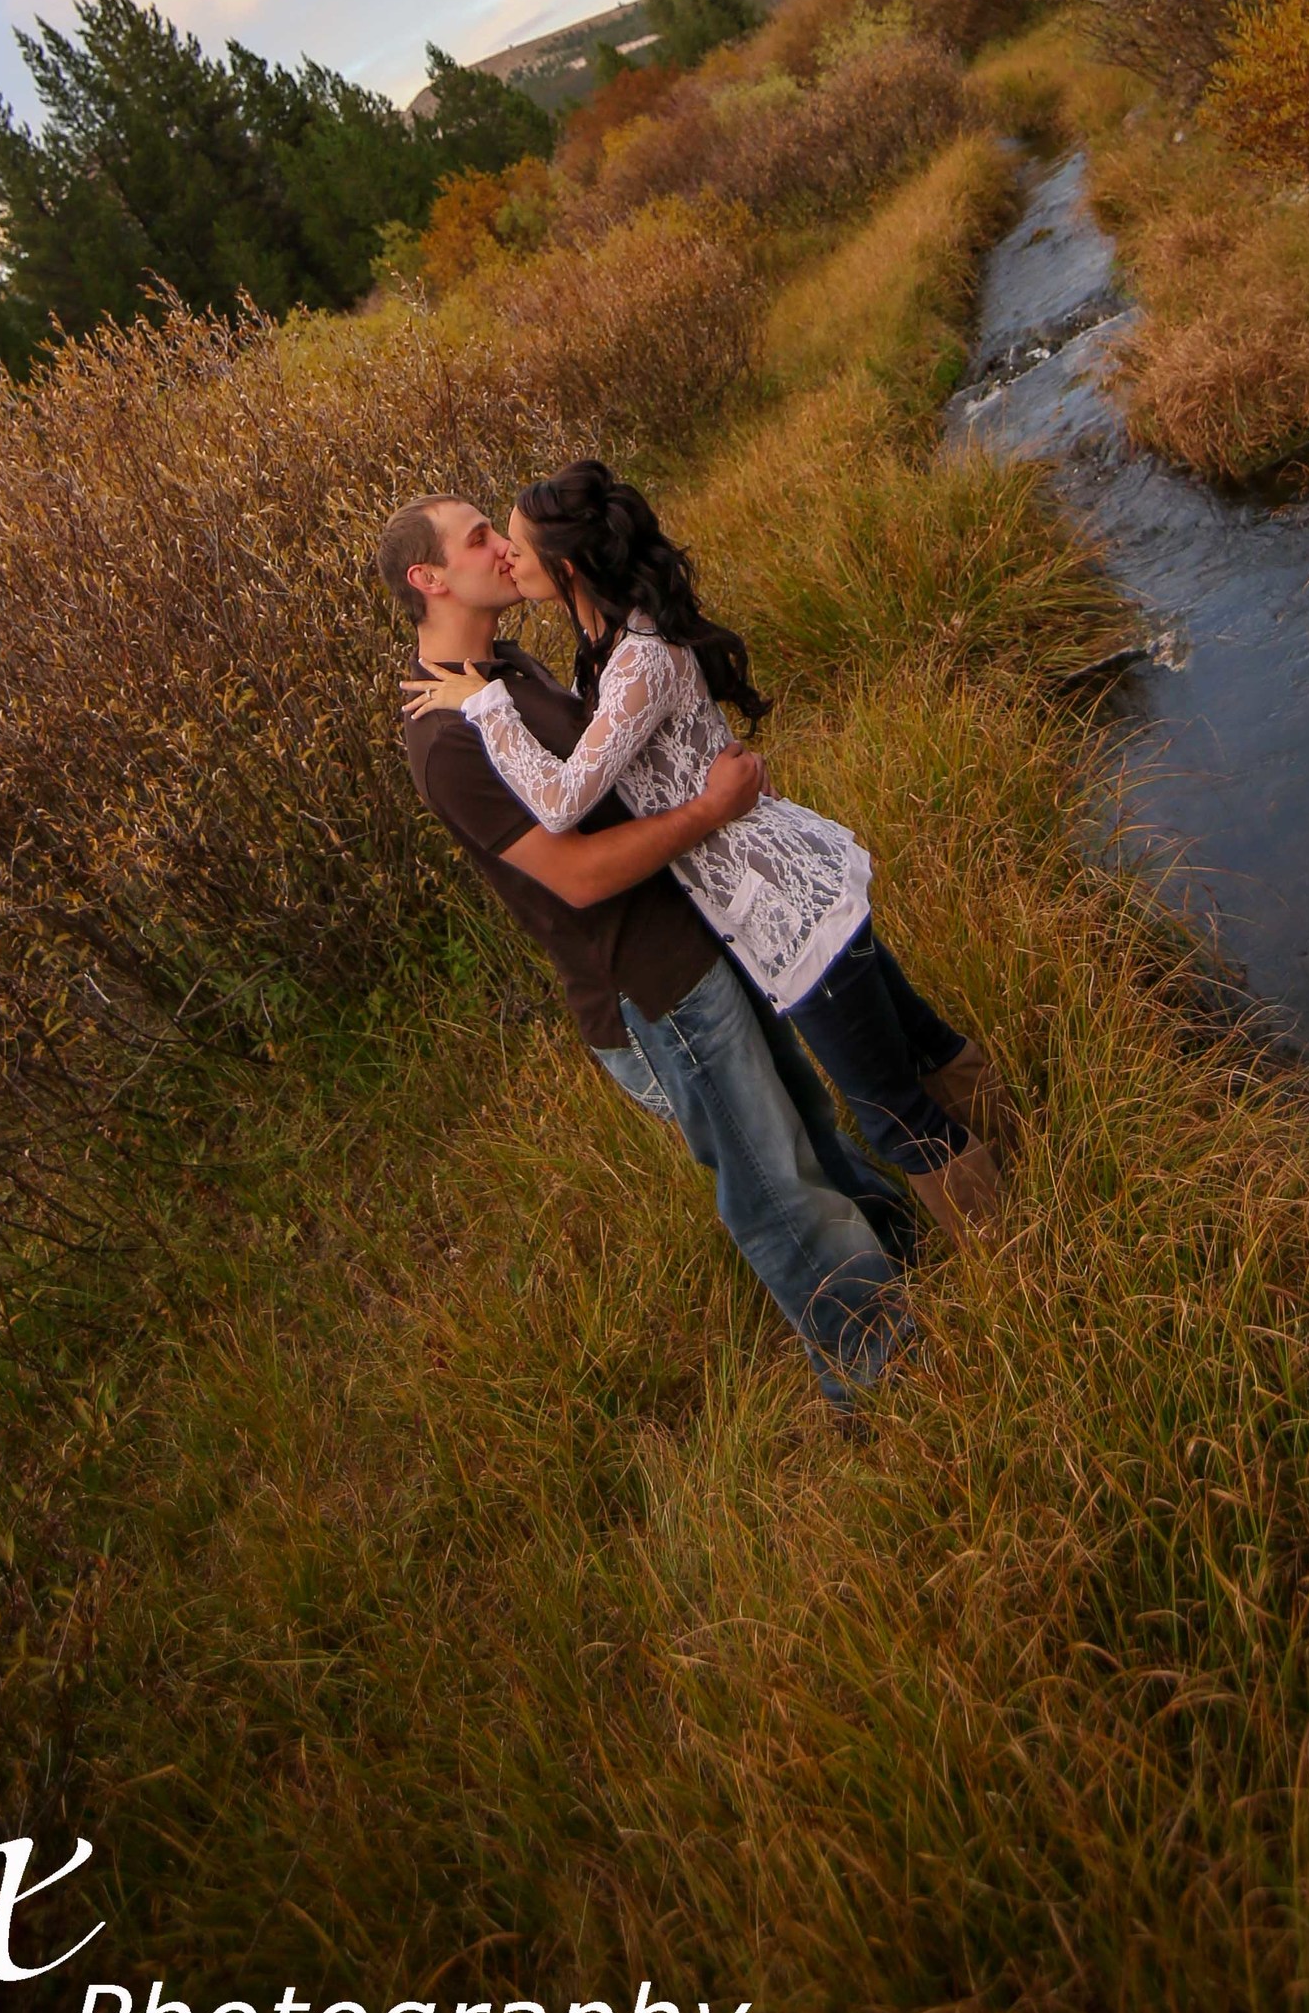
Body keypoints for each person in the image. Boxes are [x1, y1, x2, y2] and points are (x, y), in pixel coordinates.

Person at [382, 494, 915, 1406]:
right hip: (652, 989)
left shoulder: (506, 671)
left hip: (701, 940)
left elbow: (616, 769)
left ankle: (915, 1273)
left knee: (806, 1130)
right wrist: (712, 810)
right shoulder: (444, 738)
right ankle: (883, 1374)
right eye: (479, 539)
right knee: (771, 1186)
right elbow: (579, 877)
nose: (502, 551)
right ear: (426, 580)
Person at [402, 460, 1008, 1245]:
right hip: (780, 896)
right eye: (491, 541)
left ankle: (1010, 1255)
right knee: (920, 1045)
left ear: (569, 565)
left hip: (781, 905)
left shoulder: (632, 657)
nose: (507, 558)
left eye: (513, 543)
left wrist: (481, 703)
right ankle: (1024, 1157)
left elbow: (560, 798)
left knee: (892, 1111)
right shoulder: (599, 646)